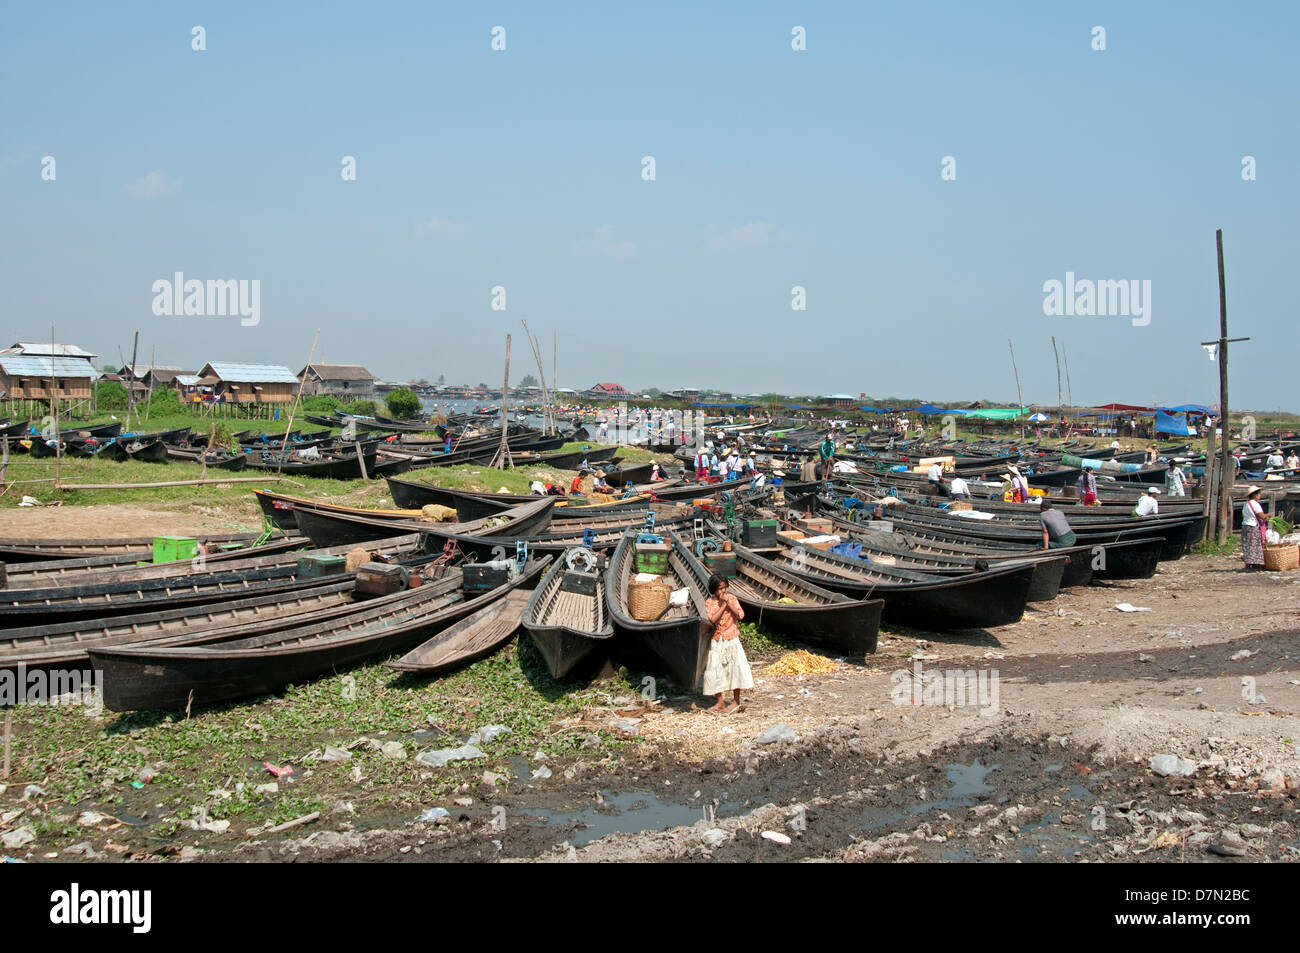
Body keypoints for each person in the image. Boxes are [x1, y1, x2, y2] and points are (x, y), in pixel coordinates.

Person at [702, 574, 753, 713]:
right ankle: (720, 702)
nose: (723, 591)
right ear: (714, 590)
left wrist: (728, 603)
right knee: (715, 670)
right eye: (719, 589)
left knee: (735, 669)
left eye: (725, 588)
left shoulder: (732, 599)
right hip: (718, 639)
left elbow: (740, 615)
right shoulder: (710, 602)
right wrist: (723, 605)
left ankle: (736, 701)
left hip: (732, 639)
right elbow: (713, 619)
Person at [1240, 486, 1267, 570]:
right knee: (1255, 545)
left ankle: (1248, 563)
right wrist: (1268, 515)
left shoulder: (1246, 504)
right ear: (1255, 495)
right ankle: (1258, 564)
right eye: (1259, 494)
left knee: (1247, 545)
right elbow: (1261, 516)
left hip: (1245, 526)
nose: (1260, 495)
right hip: (1252, 526)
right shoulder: (1255, 504)